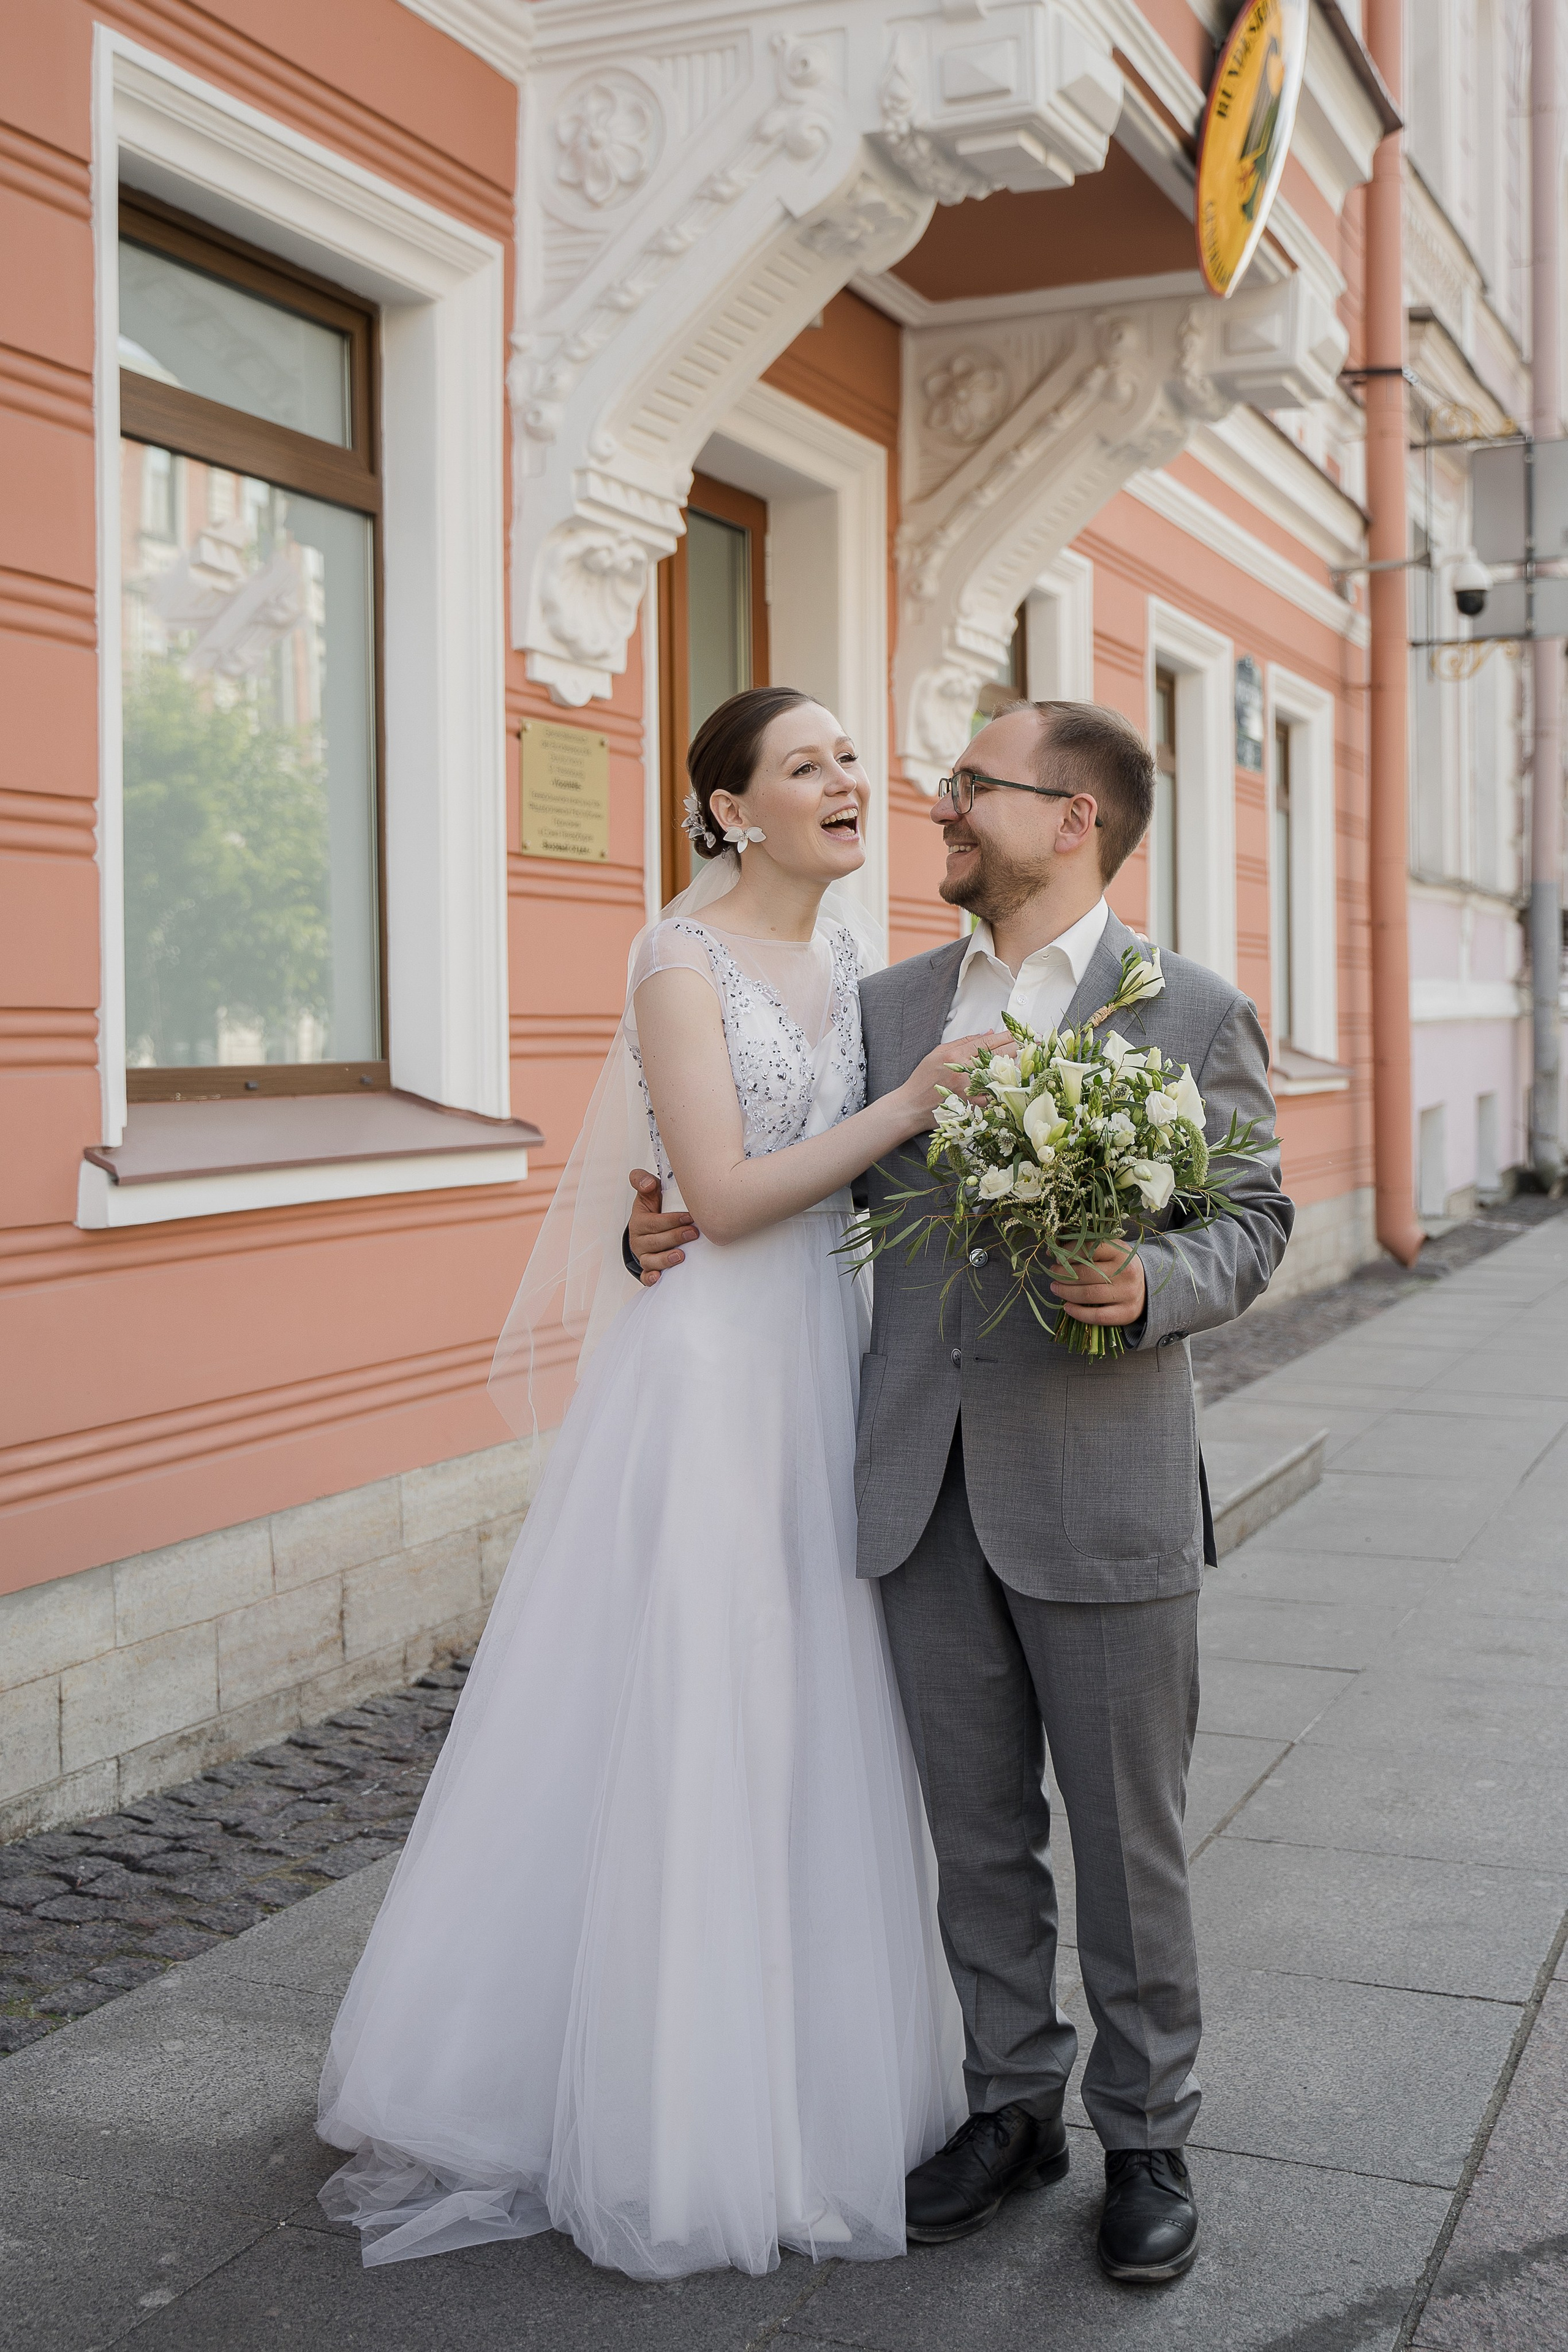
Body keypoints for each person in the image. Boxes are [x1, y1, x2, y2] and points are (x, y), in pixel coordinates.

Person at [316, 687, 992, 2278]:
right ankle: (668, 2101)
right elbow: (725, 1194)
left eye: (848, 759)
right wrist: (899, 1108)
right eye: (807, 764)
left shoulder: (859, 957)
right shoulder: (674, 960)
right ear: (728, 812)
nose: (846, 782)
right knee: (699, 1701)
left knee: (817, 1706)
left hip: (830, 1362)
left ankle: (805, 2067)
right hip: (712, 1377)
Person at [630, 698, 1293, 2285]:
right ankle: (1014, 2107)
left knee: (1132, 1843)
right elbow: (791, 1171)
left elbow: (1257, 1215)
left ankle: (1148, 2133)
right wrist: (653, 1230)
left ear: (1071, 820)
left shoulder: (1186, 1007)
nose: (937, 799)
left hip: (1104, 1489)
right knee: (975, 1834)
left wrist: (1152, 1281)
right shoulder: (890, 1004)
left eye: (976, 785)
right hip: (920, 1483)